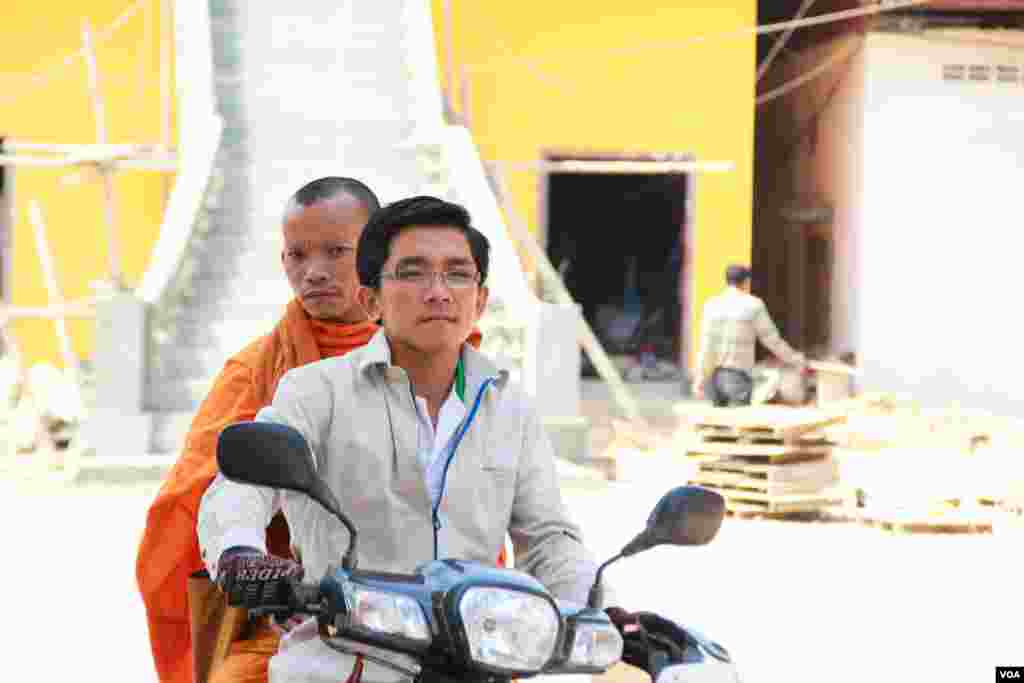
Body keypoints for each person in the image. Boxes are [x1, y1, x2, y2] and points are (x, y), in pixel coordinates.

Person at [197, 196, 688, 682]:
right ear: (371, 300)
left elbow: (547, 537)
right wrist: (240, 552)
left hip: (481, 664)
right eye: (412, 273)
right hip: (343, 665)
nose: (438, 292)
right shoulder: (313, 392)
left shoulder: (510, 408)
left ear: (480, 299)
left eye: (457, 274)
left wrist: (599, 607)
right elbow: (239, 487)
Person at [136, 177, 385, 683]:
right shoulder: (262, 370)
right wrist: (241, 556)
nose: (314, 272)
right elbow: (206, 488)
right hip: (300, 606)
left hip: (421, 598)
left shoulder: (430, 360)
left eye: (337, 252)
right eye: (297, 255)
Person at [694, 264, 805, 407]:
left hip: (713, 381)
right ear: (746, 282)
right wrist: (796, 359)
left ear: (726, 280)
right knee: (739, 424)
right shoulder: (753, 305)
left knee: (718, 426)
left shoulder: (711, 305)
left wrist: (699, 379)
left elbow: (706, 346)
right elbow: (772, 341)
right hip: (737, 379)